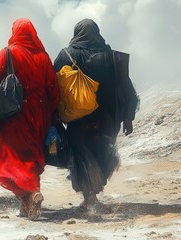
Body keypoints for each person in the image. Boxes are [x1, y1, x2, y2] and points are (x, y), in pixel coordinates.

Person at [53, 19, 139, 213]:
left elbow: (53, 85)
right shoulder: (111, 56)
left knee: (81, 154)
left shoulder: (67, 54)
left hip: (78, 118)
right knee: (102, 153)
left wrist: (53, 114)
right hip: (106, 118)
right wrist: (128, 116)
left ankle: (89, 196)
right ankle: (92, 194)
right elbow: (126, 87)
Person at [0, 19, 59, 220]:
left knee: (5, 161)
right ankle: (29, 200)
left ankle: (28, 194)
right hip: (40, 115)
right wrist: (52, 115)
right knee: (31, 157)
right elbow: (53, 90)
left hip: (14, 115)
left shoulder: (8, 53)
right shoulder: (43, 57)